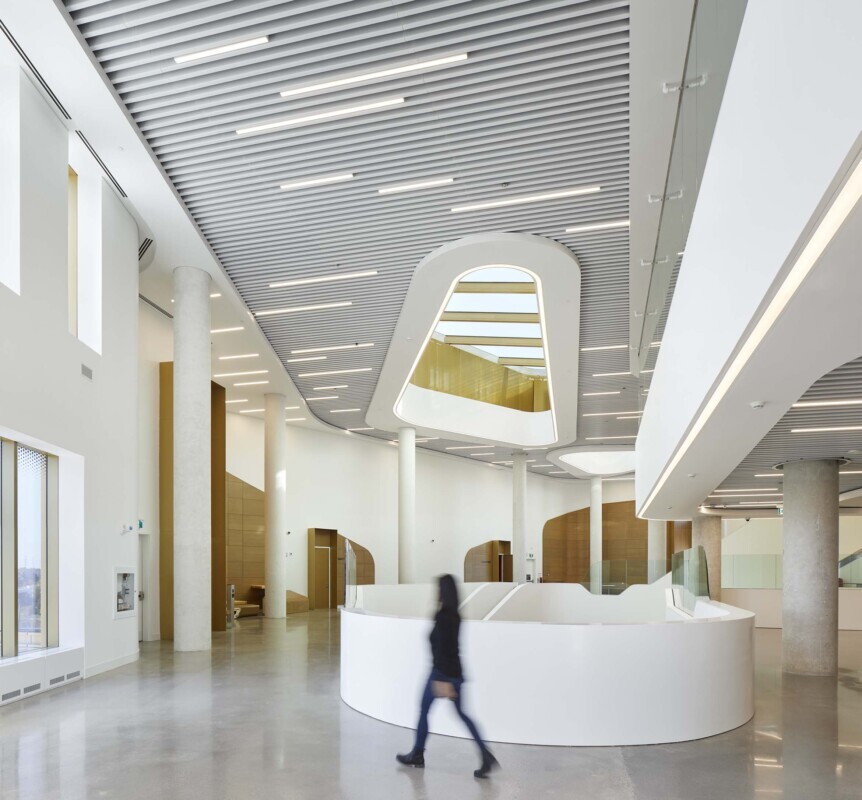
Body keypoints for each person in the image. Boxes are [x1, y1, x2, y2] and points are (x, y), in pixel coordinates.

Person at [396, 574, 499, 779]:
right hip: (455, 672)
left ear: (443, 591)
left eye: (438, 588)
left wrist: (443, 680)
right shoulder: (454, 615)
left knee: (424, 709)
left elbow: (444, 649)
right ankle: (486, 755)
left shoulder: (443, 617)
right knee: (462, 714)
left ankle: (417, 754)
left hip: (442, 672)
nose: (436, 592)